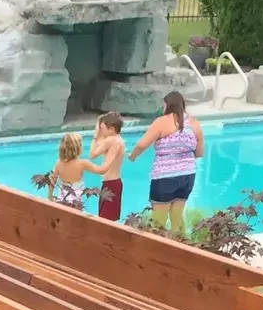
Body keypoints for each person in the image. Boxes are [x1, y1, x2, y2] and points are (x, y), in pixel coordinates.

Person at [128, 90, 204, 234]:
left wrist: (132, 156)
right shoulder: (194, 123)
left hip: (165, 177)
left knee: (158, 223)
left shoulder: (162, 122)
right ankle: (180, 245)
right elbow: (199, 153)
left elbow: (141, 145)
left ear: (167, 105)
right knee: (177, 219)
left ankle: (158, 247)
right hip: (187, 176)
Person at [48, 132, 110, 210]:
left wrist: (50, 196)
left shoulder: (59, 163)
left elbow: (52, 181)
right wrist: (111, 158)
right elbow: (101, 170)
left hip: (61, 202)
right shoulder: (82, 163)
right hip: (75, 204)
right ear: (77, 148)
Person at [88, 112, 126, 221]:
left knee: (105, 221)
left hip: (110, 184)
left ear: (111, 129)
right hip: (115, 182)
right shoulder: (119, 140)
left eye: (102, 128)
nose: (100, 130)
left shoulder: (111, 140)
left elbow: (92, 154)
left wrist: (95, 136)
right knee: (110, 220)